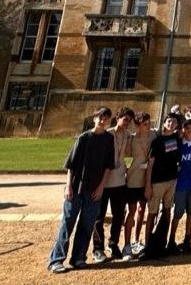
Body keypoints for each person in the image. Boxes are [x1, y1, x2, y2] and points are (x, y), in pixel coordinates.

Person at [47, 107, 115, 274]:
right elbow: (71, 165)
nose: (102, 120)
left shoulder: (108, 139)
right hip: (77, 188)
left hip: (94, 190)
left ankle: (78, 257)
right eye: (100, 117)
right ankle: (56, 260)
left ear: (108, 121)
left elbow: (108, 167)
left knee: (86, 225)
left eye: (105, 118)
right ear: (94, 119)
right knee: (67, 224)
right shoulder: (84, 138)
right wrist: (68, 185)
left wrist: (101, 188)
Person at [92, 107, 133, 263]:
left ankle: (113, 243)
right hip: (104, 181)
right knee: (99, 217)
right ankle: (97, 248)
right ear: (118, 118)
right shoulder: (108, 134)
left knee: (118, 216)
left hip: (120, 181)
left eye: (129, 120)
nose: (127, 123)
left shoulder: (128, 135)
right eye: (125, 119)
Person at [143, 111, 181, 258]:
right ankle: (147, 246)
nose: (171, 124)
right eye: (169, 121)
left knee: (167, 212)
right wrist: (148, 185)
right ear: (164, 123)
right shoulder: (157, 142)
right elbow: (150, 164)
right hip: (157, 182)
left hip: (171, 181)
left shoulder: (176, 139)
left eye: (174, 122)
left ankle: (161, 244)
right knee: (152, 213)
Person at [123, 112, 154, 259]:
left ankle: (136, 240)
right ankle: (127, 244)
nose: (148, 126)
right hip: (134, 179)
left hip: (147, 179)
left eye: (149, 123)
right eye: (145, 124)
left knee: (142, 210)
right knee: (132, 210)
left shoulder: (153, 136)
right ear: (137, 126)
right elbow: (122, 155)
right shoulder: (132, 139)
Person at [171, 118, 191, 252]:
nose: (189, 131)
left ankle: (187, 239)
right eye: (187, 128)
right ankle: (171, 239)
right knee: (178, 213)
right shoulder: (179, 145)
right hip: (180, 185)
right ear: (183, 130)